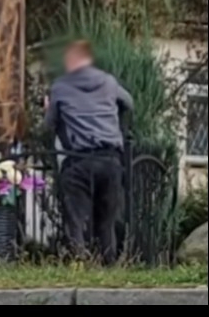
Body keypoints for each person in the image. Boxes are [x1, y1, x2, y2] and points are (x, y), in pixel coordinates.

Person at [43, 39, 134, 263]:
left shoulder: (61, 87)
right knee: (106, 221)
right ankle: (109, 265)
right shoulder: (109, 82)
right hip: (110, 158)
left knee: (76, 219)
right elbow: (129, 102)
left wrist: (49, 108)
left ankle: (80, 264)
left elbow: (49, 124)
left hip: (79, 159)